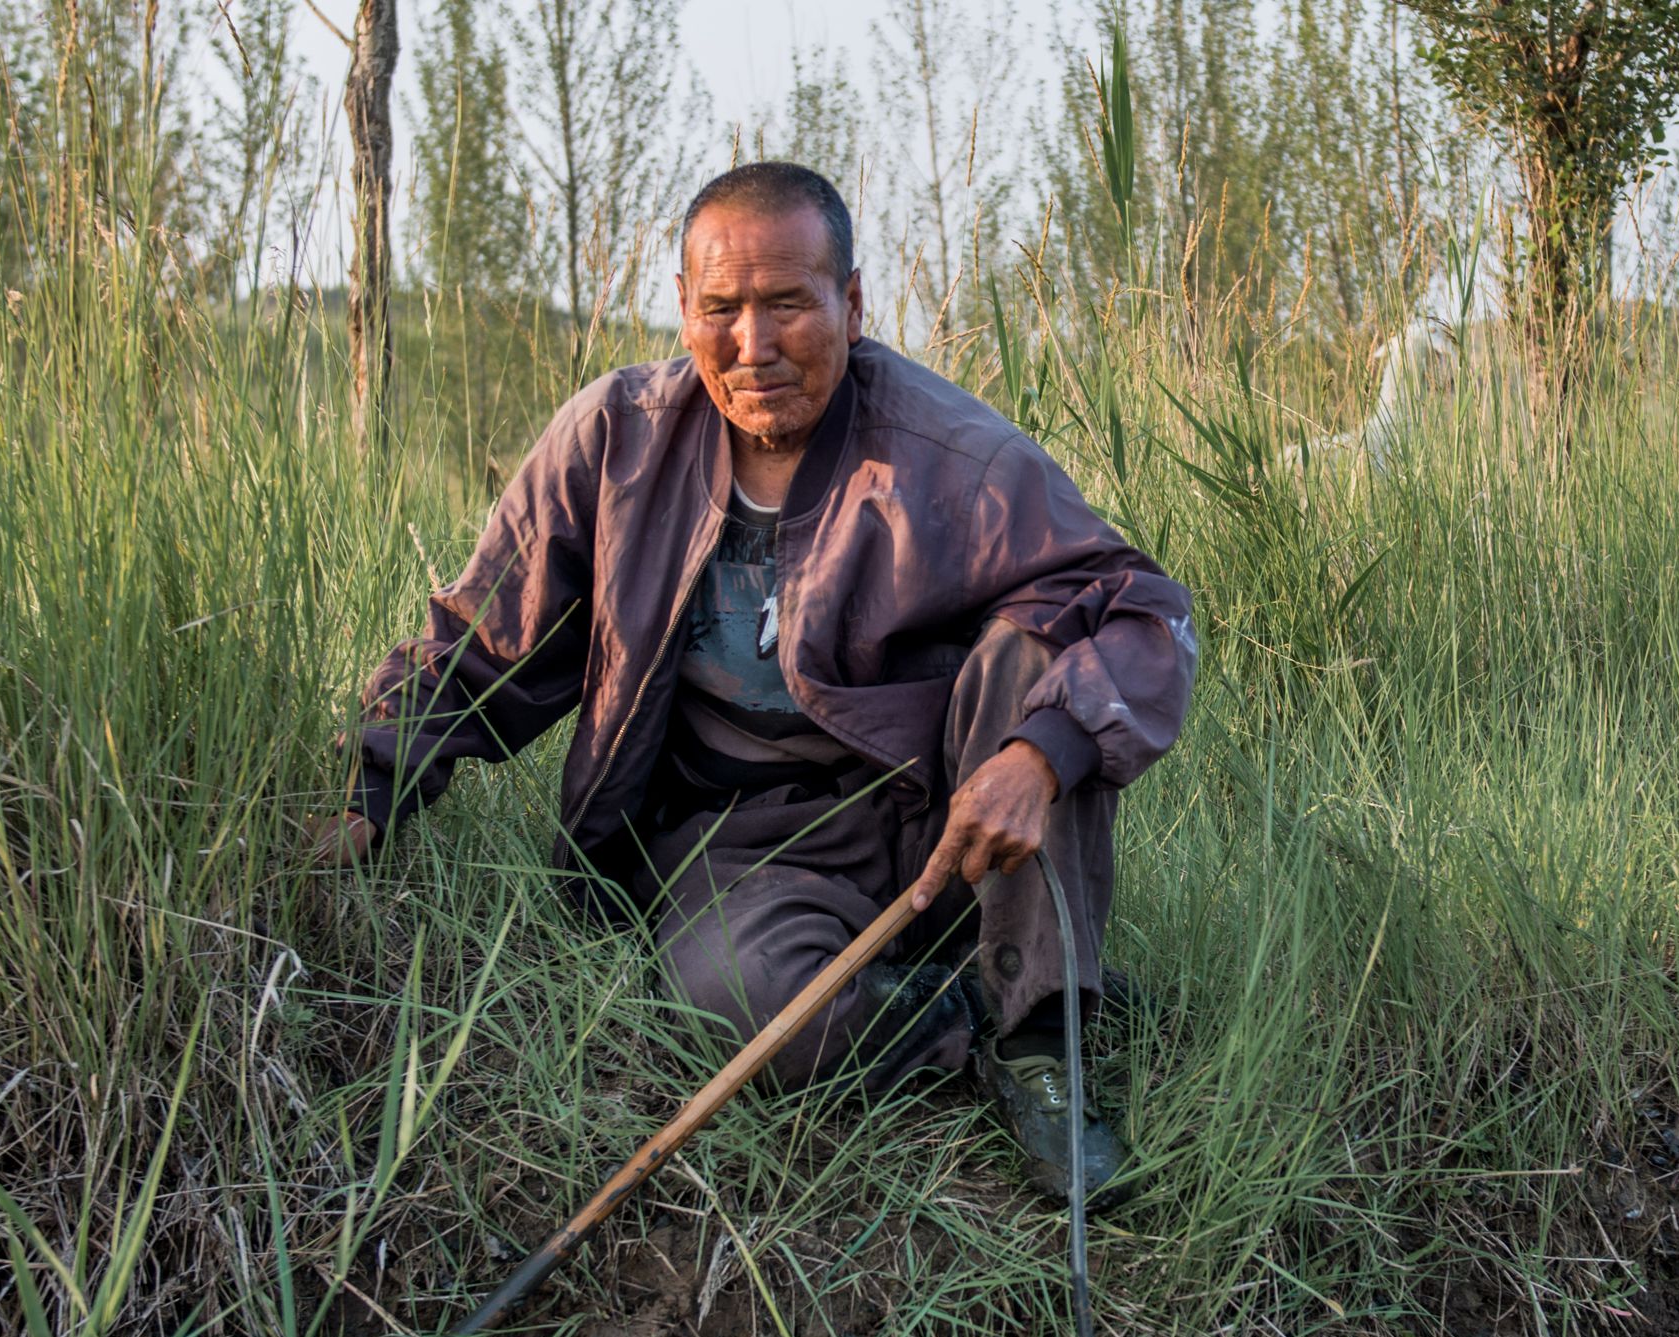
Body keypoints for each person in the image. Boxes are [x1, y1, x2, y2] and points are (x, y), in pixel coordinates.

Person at [312, 162, 1196, 1206]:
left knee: (1042, 650)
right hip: (733, 853)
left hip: (935, 828)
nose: (753, 345)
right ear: (682, 310)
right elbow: (481, 635)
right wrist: (370, 786)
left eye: (788, 303)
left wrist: (1034, 756)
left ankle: (1047, 1042)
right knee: (736, 1001)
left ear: (852, 304)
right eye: (720, 308)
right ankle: (965, 1014)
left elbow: (1141, 610)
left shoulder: (954, 455)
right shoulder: (611, 442)